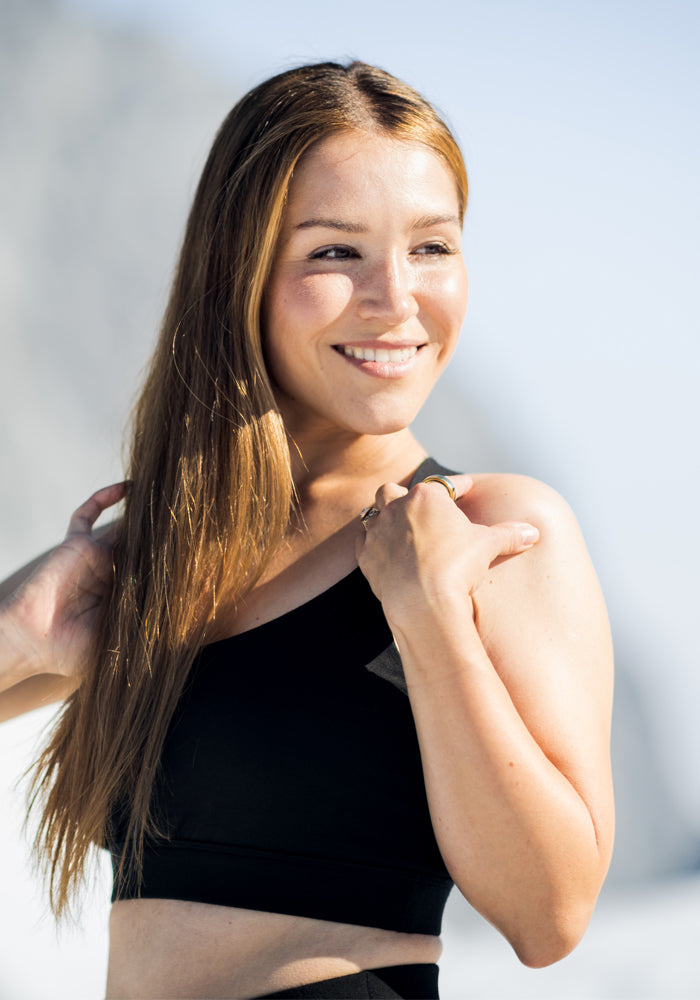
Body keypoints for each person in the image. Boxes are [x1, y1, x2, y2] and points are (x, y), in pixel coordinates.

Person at [0, 61, 614, 1000]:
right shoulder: (169, 551)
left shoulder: (493, 533)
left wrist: (432, 622)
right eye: (336, 252)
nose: (396, 298)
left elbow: (550, 915)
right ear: (239, 270)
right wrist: (18, 633)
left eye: (432, 247)